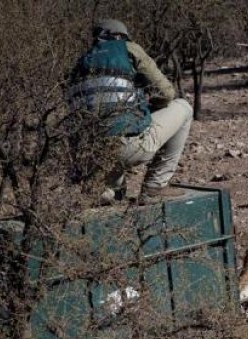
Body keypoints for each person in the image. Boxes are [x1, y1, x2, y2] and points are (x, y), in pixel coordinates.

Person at [68, 18, 193, 205]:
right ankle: (154, 187)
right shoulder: (129, 49)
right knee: (184, 107)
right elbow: (166, 93)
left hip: (90, 156)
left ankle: (106, 190)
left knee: (107, 139)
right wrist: (149, 107)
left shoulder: (80, 64)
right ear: (121, 36)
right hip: (127, 147)